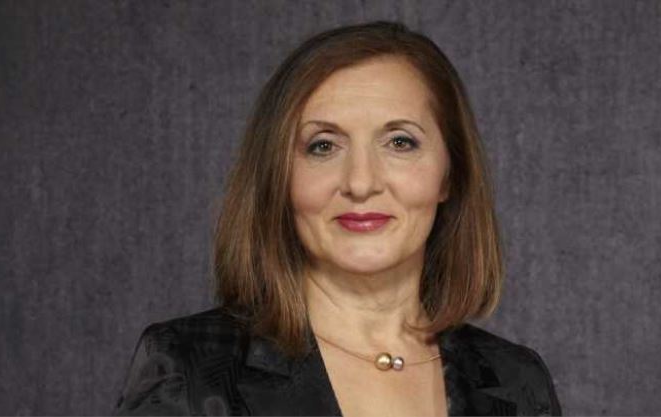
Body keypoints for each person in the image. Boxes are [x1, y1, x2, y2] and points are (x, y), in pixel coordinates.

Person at [114, 21, 561, 416]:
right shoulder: (189, 369)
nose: (361, 183)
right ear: (278, 178)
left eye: (400, 142)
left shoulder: (517, 382)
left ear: (450, 174)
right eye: (323, 146)